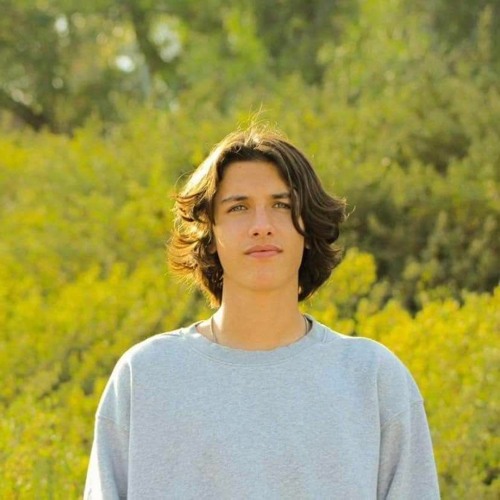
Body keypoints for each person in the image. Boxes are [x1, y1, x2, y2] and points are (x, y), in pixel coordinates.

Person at [84, 126, 440, 499]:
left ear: (308, 227)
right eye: (238, 207)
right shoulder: (146, 376)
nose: (261, 227)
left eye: (281, 205)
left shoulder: (373, 378)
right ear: (209, 232)